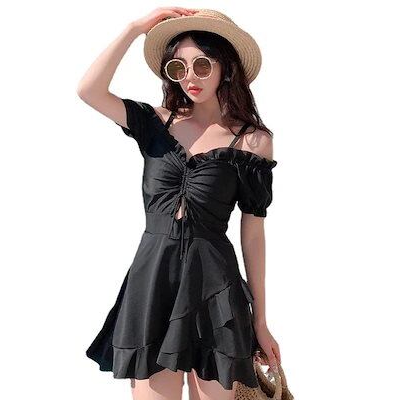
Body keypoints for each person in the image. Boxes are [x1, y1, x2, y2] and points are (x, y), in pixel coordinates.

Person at [77, 7, 281, 400]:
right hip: (153, 281)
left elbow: (253, 234)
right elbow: (89, 91)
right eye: (178, 67)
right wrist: (134, 28)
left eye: (202, 65)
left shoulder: (253, 140)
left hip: (215, 286)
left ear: (226, 67)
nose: (190, 77)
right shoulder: (154, 123)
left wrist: (261, 321)